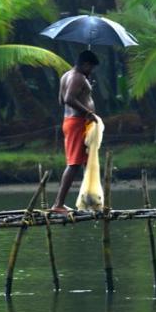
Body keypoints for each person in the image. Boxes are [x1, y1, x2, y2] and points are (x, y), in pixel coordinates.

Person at [51, 50, 101, 212]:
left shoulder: (67, 75)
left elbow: (60, 99)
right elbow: (68, 99)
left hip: (75, 123)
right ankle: (58, 204)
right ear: (85, 64)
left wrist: (86, 90)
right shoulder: (77, 77)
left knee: (88, 162)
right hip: (77, 123)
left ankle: (91, 202)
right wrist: (88, 112)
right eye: (91, 67)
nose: (91, 71)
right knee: (73, 164)